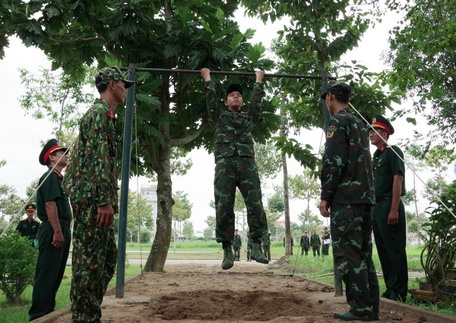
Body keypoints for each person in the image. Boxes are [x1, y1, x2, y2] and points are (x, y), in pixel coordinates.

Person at [63, 66, 134, 322]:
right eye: (123, 85)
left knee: (106, 260)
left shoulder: (105, 114)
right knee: (89, 263)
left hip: (94, 198)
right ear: (113, 84)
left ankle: (89, 311)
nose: (125, 89)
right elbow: (99, 159)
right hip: (93, 201)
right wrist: (104, 201)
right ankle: (84, 317)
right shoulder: (99, 114)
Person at [319, 82, 379, 321]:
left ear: (331, 97)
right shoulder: (358, 123)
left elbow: (334, 162)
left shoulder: (337, 122)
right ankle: (371, 308)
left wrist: (326, 196)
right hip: (365, 198)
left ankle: (361, 309)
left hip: (346, 199)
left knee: (348, 255)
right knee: (363, 254)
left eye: (327, 98)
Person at [201, 68, 269, 270]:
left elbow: (257, 103)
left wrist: (259, 80)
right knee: (223, 205)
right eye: (232, 96)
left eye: (239, 96)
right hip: (225, 164)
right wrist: (207, 79)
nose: (236, 98)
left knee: (255, 204)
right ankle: (227, 250)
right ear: (226, 102)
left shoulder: (248, 119)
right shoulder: (219, 118)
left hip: (247, 163)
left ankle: (256, 246)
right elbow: (210, 100)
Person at [29, 139, 72, 321]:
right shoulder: (50, 176)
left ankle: (48, 310)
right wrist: (57, 231)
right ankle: (38, 314)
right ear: (52, 157)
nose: (67, 155)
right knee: (47, 272)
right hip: (54, 227)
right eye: (63, 152)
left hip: (61, 227)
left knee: (55, 272)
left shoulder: (58, 178)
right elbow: (49, 204)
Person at [370, 115, 408, 302]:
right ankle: (391, 288)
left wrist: (394, 209)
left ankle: (400, 291)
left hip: (389, 204)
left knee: (395, 249)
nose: (370, 134)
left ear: (384, 132)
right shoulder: (376, 156)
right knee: (383, 249)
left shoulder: (393, 152)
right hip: (376, 205)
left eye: (373, 130)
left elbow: (398, 179)